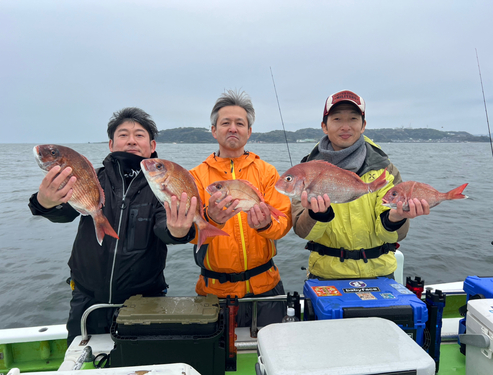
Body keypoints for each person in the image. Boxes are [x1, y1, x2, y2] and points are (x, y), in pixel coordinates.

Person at [28, 107, 196, 346]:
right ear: (110, 144)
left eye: (139, 135)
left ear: (152, 144)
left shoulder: (161, 186)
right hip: (86, 301)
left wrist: (179, 231)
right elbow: (63, 214)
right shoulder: (90, 178)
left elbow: (165, 229)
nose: (131, 140)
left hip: (145, 302)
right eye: (123, 134)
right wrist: (44, 202)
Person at [292, 90, 430, 280]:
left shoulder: (385, 170)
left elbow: (396, 236)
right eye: (337, 119)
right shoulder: (306, 171)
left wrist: (396, 218)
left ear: (363, 125)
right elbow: (301, 231)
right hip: (326, 274)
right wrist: (317, 214)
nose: (346, 126)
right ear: (324, 126)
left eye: (353, 119)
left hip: (380, 273)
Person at [189, 90, 292, 327]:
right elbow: (187, 233)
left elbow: (283, 223)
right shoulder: (196, 176)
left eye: (240, 123)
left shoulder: (267, 172)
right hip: (214, 293)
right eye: (225, 123)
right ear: (214, 130)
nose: (233, 128)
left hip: (267, 289)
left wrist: (266, 224)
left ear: (249, 131)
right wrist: (210, 218)